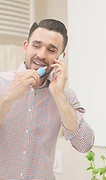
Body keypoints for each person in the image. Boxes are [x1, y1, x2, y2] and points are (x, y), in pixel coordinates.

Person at [0, 19, 95, 179]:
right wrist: (8, 97)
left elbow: (84, 144)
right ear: (26, 46)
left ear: (61, 56)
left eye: (51, 50)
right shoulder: (1, 83)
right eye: (36, 46)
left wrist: (59, 97)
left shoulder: (65, 95)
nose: (41, 55)